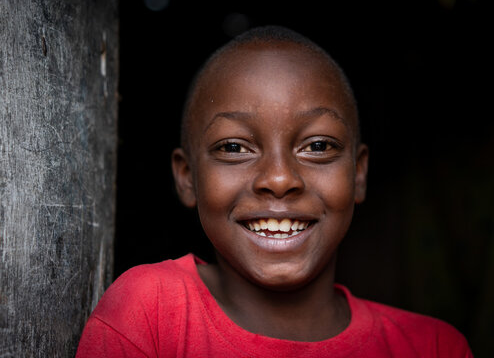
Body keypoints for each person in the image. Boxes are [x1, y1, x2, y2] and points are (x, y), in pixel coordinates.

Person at [76, 25, 473, 357]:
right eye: (234, 148)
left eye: (318, 147)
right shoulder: (150, 315)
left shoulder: (433, 347)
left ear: (358, 174)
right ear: (187, 177)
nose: (280, 179)